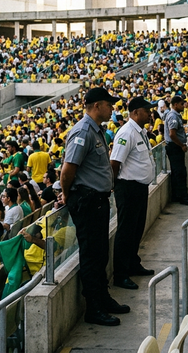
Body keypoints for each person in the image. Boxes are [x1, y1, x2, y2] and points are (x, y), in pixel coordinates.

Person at [61, 87, 130, 327]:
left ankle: (103, 298)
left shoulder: (96, 130)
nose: (112, 108)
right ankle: (94, 307)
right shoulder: (82, 131)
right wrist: (67, 195)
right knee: (91, 256)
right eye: (109, 104)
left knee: (100, 253)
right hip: (87, 202)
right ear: (97, 106)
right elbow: (68, 170)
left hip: (98, 202)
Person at [110, 97, 157, 291]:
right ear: (136, 112)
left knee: (137, 229)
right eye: (146, 110)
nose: (150, 114)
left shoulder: (141, 131)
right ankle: (121, 274)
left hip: (139, 187)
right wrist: (115, 186)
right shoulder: (126, 133)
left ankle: (133, 263)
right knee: (126, 231)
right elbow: (114, 162)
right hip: (128, 188)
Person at [164, 96, 188, 205]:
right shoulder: (173, 116)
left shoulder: (173, 115)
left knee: (177, 172)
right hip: (175, 147)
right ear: (176, 104)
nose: (183, 106)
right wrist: (181, 145)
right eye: (182, 104)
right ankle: (183, 197)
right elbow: (172, 134)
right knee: (180, 173)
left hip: (174, 147)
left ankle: (177, 196)